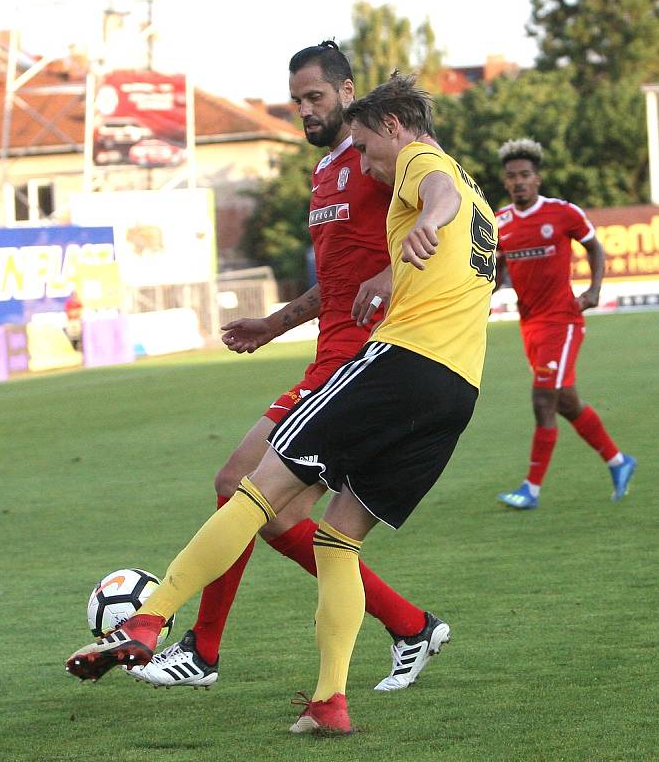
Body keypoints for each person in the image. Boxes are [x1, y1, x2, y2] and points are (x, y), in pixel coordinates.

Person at [66, 74, 496, 735]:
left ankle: (151, 621)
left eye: (366, 147)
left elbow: (430, 191)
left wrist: (422, 226)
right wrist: (395, 265)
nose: (368, 163)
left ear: (390, 126)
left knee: (253, 489)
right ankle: (331, 701)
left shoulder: (417, 158)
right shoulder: (481, 200)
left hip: (401, 365)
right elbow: (446, 217)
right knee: (336, 538)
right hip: (455, 392)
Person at [124, 42, 449, 694]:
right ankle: (411, 625)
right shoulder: (325, 171)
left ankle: (202, 649)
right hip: (328, 354)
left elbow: (438, 180)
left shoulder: (373, 160)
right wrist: (275, 324)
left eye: (316, 98)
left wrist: (410, 254)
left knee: (239, 484)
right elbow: (336, 280)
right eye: (296, 100)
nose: (304, 110)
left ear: (347, 92)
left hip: (364, 361)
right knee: (269, 510)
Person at [495, 138, 637, 510]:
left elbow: (595, 247)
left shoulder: (562, 213)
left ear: (537, 178)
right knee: (566, 403)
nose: (519, 182)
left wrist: (594, 290)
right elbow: (494, 271)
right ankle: (619, 462)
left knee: (543, 399)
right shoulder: (500, 223)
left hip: (563, 320)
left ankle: (531, 489)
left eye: (525, 175)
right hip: (530, 326)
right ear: (506, 182)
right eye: (512, 177)